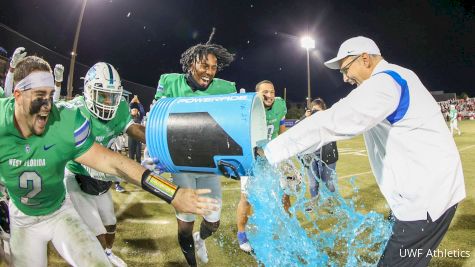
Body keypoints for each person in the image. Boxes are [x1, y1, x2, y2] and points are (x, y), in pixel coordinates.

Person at [261, 36, 465, 266]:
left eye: (346, 69)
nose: (346, 77)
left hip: (426, 201)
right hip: (429, 189)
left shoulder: (384, 83)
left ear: (365, 59)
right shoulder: (399, 75)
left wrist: (269, 152)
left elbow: (332, 121)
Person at [0, 56, 218, 267]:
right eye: (40, 95)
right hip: (23, 220)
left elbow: (114, 163)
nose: (48, 105)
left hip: (59, 212)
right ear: (17, 95)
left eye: (50, 95)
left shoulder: (64, 121)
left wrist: (172, 192)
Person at [154, 36, 236, 266]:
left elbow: (235, 121)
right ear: (191, 64)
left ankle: (202, 238)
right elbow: (157, 118)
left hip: (209, 165)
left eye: (213, 67)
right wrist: (153, 153)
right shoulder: (171, 82)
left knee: (213, 220)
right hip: (181, 163)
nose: (209, 72)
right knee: (185, 224)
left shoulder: (224, 88)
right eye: (204, 65)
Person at [62, 62, 148, 267]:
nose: (109, 102)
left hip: (100, 177)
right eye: (103, 95)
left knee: (110, 224)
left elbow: (134, 129)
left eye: (113, 96)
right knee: (97, 235)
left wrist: (158, 141)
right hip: (77, 175)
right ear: (90, 91)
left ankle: (107, 255)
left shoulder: (121, 110)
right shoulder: (75, 111)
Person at [236, 80, 287, 252]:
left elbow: (282, 129)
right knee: (246, 197)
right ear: (257, 93)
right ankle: (241, 233)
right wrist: (259, 151)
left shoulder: (280, 104)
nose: (270, 95)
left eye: (272, 91)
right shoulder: (249, 108)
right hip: (252, 158)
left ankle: (284, 229)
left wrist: (284, 152)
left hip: (272, 158)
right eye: (265, 92)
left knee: (284, 194)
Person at [301, 98, 338, 202]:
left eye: (318, 111)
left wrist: (325, 117)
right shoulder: (307, 120)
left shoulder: (330, 120)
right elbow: (296, 130)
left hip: (328, 155)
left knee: (328, 182)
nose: (316, 114)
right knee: (313, 182)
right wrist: (305, 117)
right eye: (314, 111)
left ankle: (330, 203)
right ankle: (314, 202)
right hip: (310, 156)